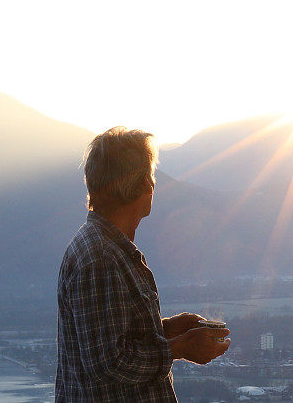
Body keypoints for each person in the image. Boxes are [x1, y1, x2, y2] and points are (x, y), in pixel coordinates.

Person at [55, 126, 230, 401]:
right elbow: (108, 365)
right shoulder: (101, 258)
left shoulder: (106, 248)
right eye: (150, 176)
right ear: (144, 186)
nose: (153, 184)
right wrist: (181, 347)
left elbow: (113, 336)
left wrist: (170, 328)